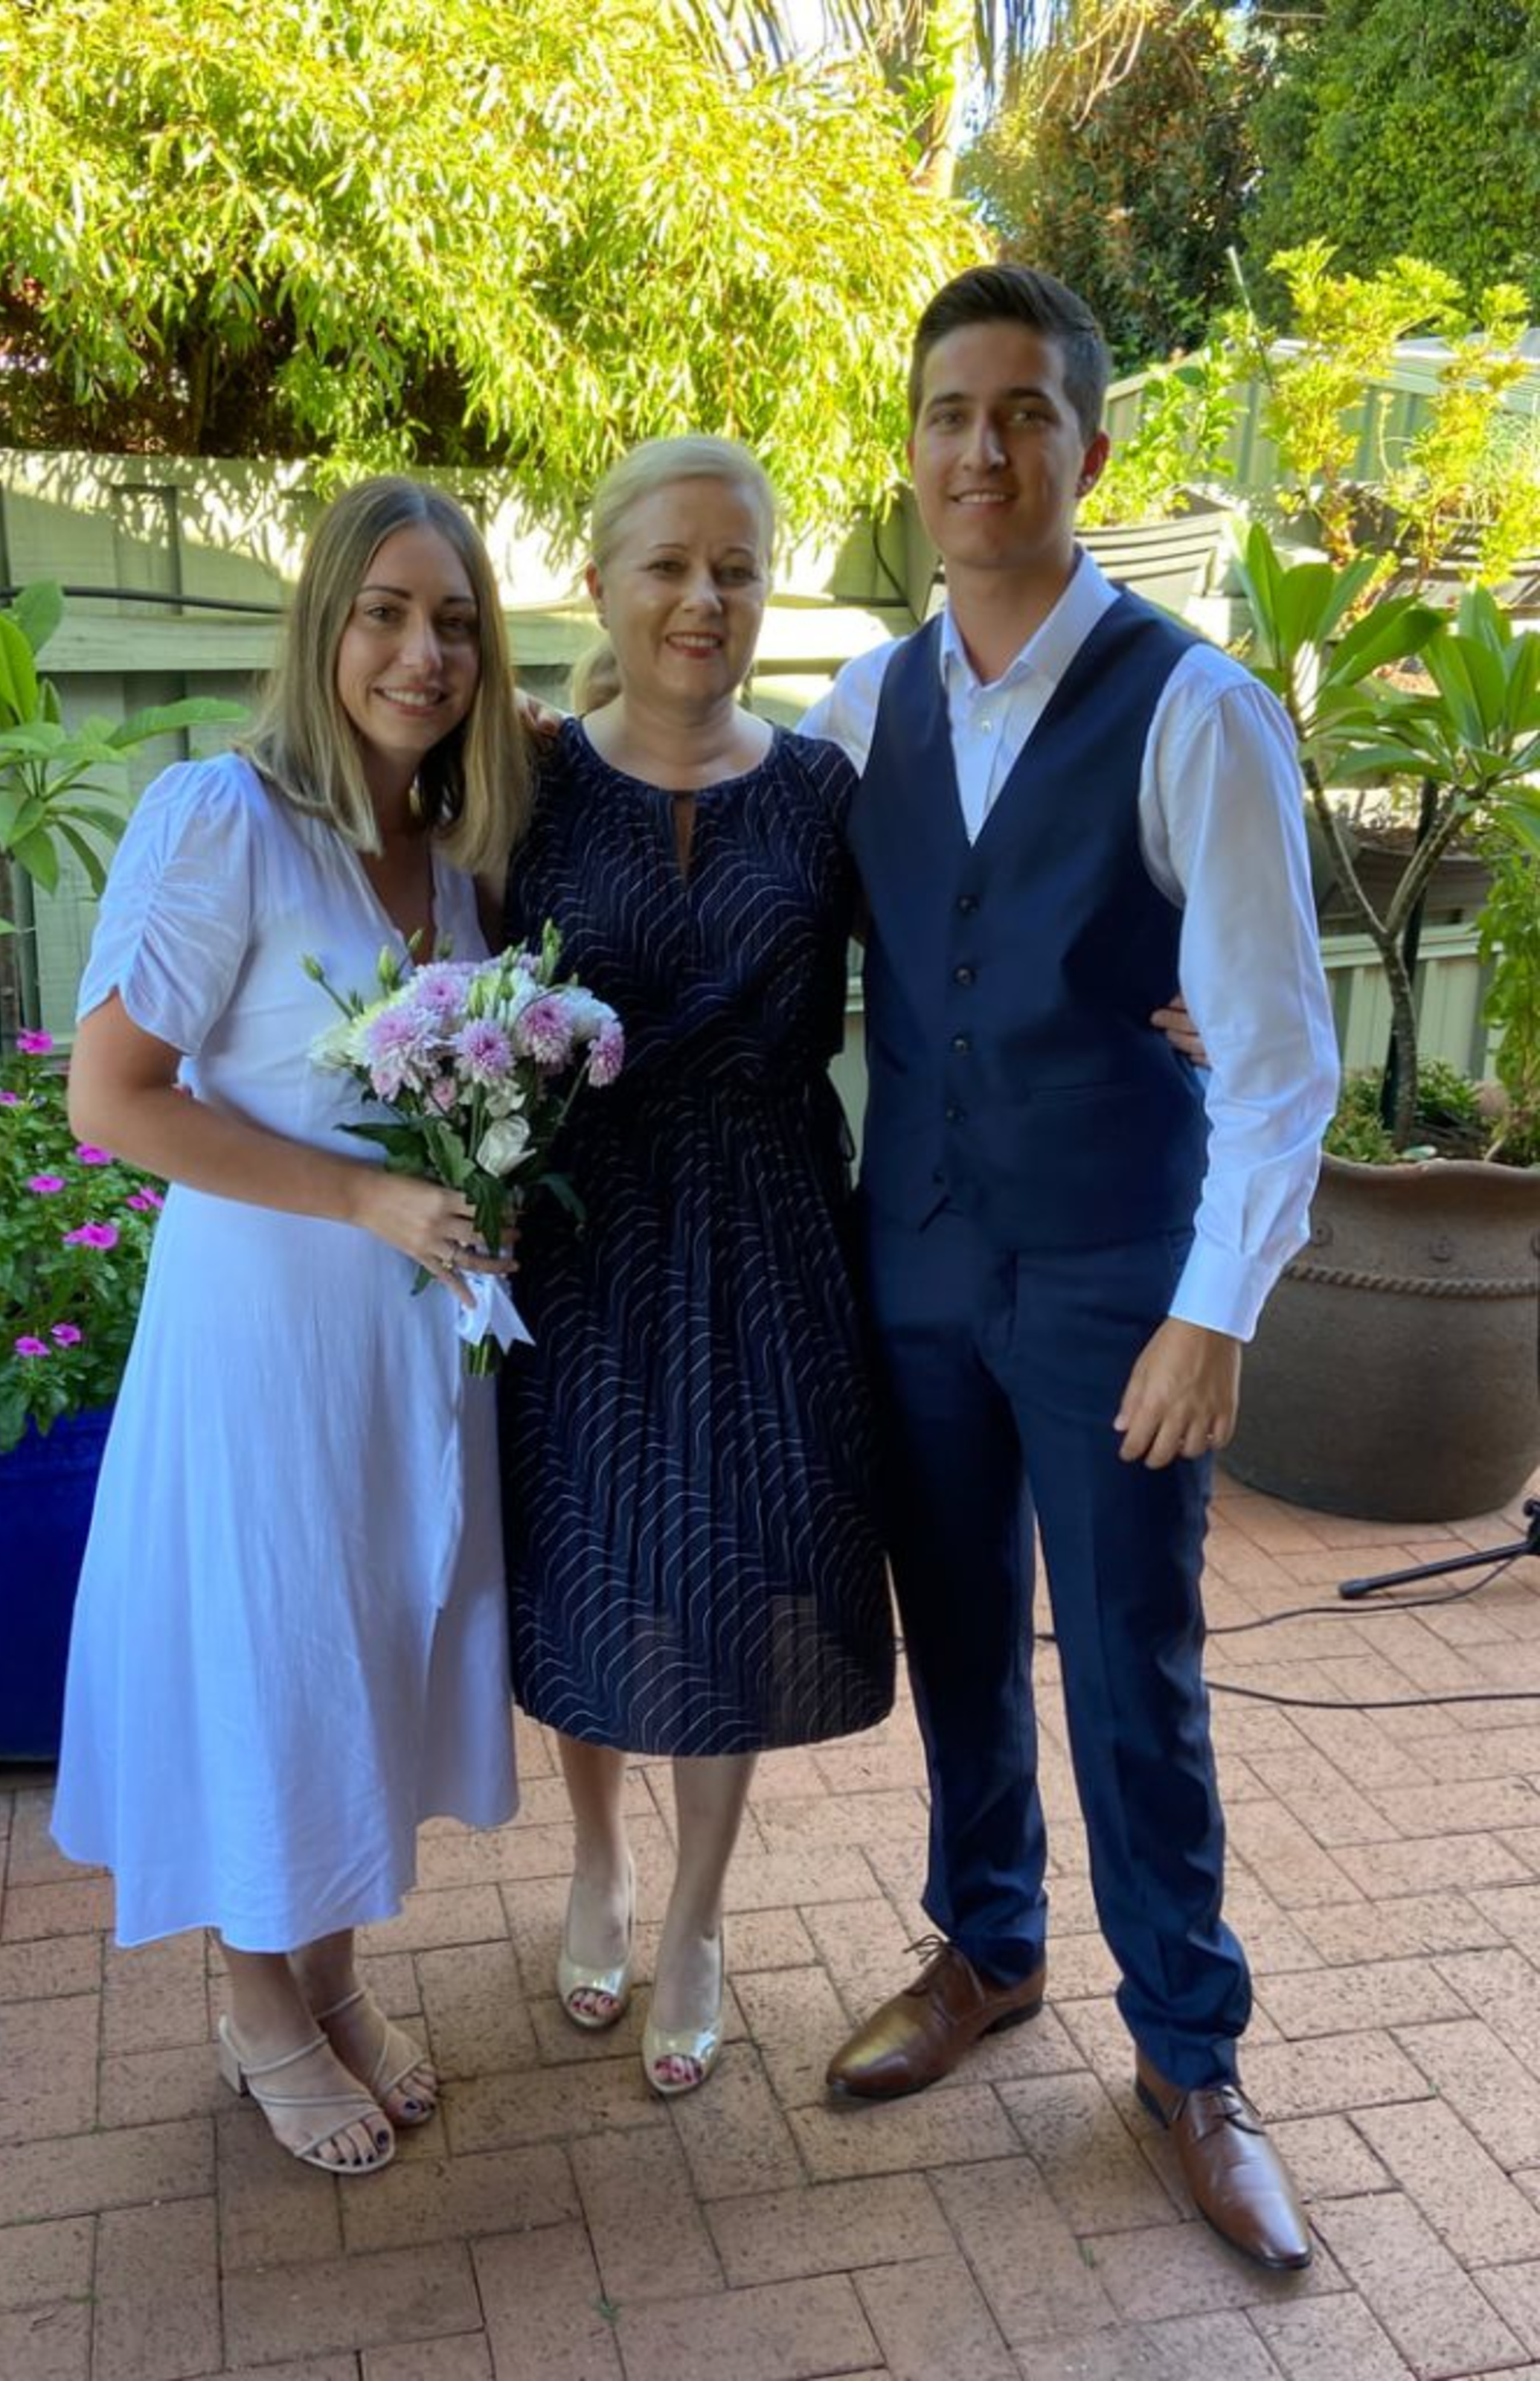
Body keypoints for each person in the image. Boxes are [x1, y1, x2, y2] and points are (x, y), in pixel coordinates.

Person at [806, 266, 1339, 2272]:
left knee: (1135, 1674)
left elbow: (1279, 1057)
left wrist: (1218, 1310)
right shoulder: (863, 704)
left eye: (1024, 413)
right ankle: (991, 1946)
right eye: (950, 413)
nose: (982, 449)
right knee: (959, 1638)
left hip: (1122, 1270)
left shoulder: (1191, 706)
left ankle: (1192, 2056)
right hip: (922, 1260)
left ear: (1089, 450)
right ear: (917, 448)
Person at [51, 478, 533, 2176]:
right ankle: (257, 2003)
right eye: (389, 613)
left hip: (408, 1344)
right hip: (268, 1334)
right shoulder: (222, 818)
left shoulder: (448, 856)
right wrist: (365, 1202)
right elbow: (110, 1102)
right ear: (323, 622)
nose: (424, 652)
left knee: (379, 1643)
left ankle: (331, 1976)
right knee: (277, 1643)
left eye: (458, 621)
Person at [498, 436, 896, 2096]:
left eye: (734, 568)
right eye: (666, 564)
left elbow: (976, 959)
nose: (701, 598)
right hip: (584, 1235)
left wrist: (1159, 1000)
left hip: (775, 1232)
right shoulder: (520, 784)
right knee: (588, 1560)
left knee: (738, 1578)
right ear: (600, 581)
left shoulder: (823, 793)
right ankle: (596, 1853)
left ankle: (701, 1913)